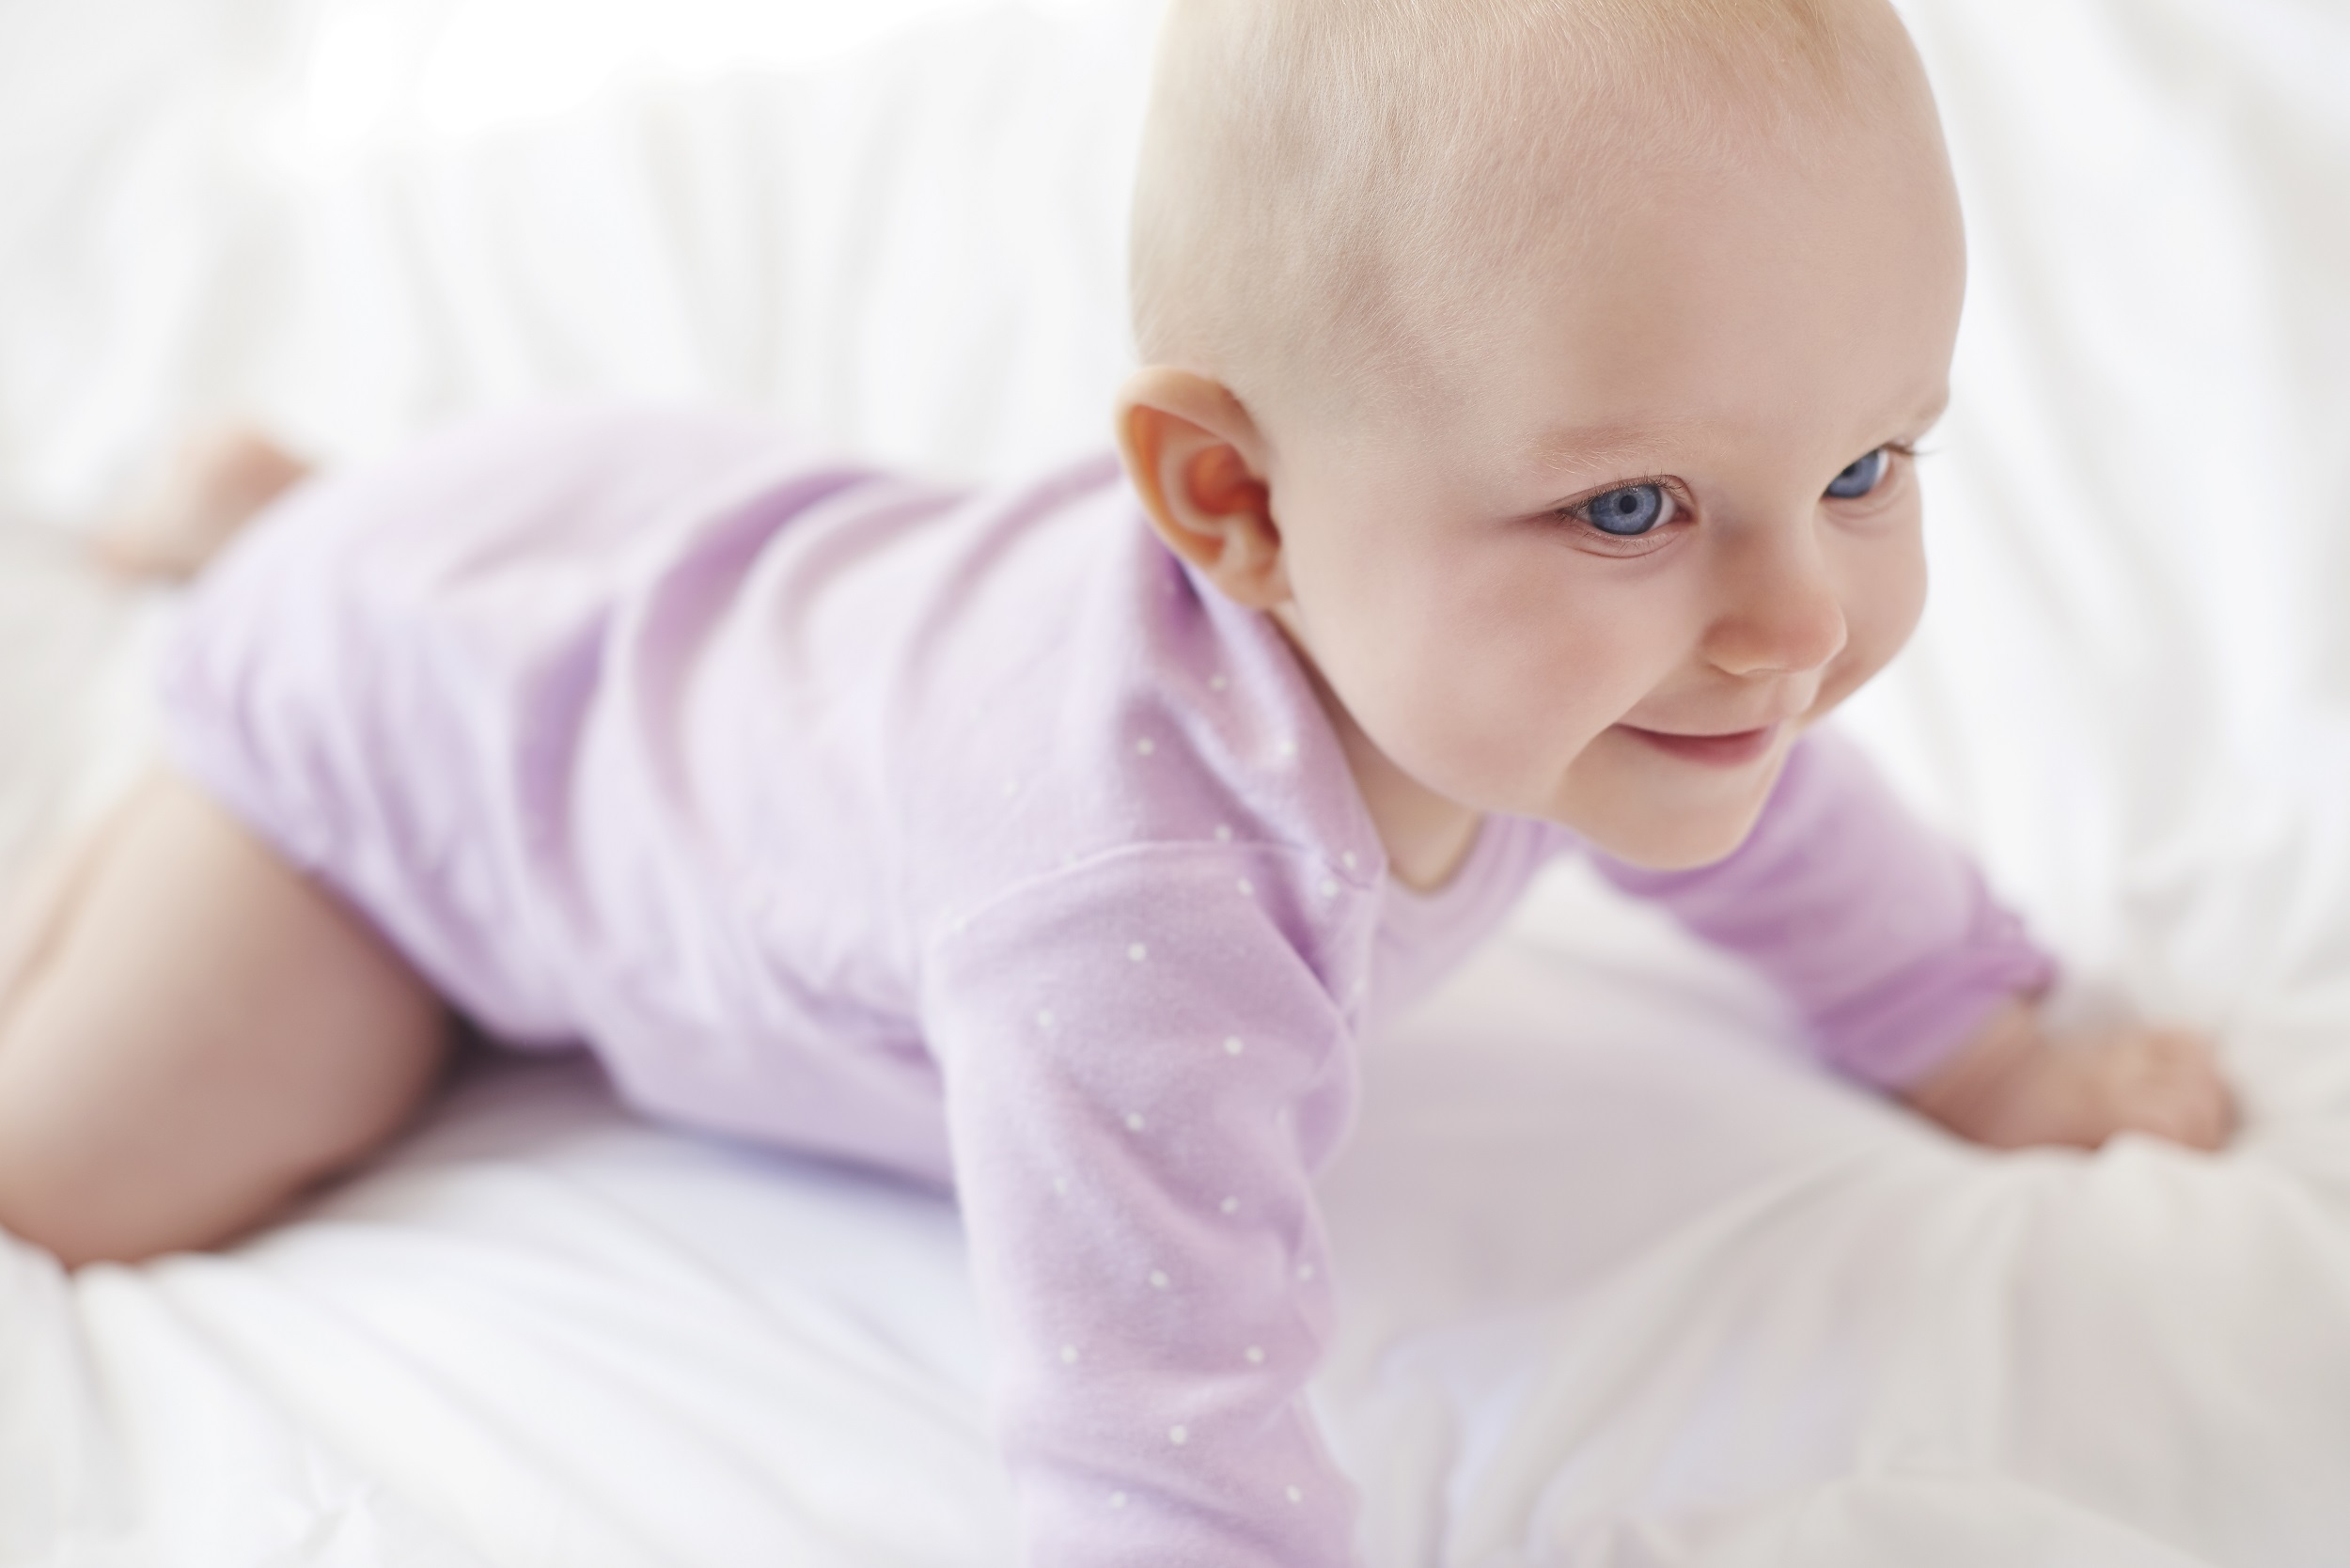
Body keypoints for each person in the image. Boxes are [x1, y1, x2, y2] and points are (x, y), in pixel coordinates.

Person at [0, 0, 2235, 1559]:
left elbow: (1766, 817)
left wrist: (1975, 1040)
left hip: (622, 542)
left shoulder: (1552, 655)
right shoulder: (1133, 919)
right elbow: (1156, 1434)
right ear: (1229, 500)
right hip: (436, 750)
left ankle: (289, 501)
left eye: (1863, 464)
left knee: (667, 587)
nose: (1793, 623)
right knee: (82, 1170)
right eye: (1635, 504)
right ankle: (272, 568)